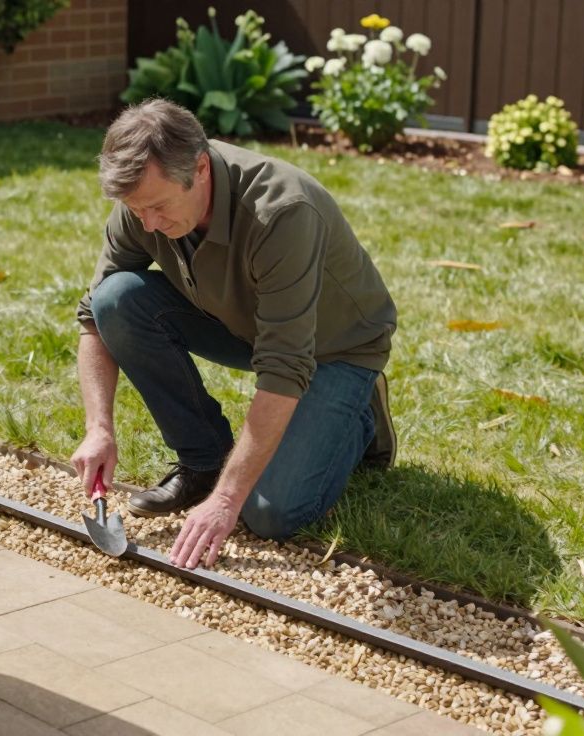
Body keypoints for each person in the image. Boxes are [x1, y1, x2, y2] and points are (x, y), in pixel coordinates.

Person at [70, 99, 397, 571]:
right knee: (115, 301)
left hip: (334, 347)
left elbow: (285, 365)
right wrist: (98, 427)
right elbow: (92, 317)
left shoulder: (282, 211)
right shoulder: (144, 202)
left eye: (159, 207)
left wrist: (227, 500)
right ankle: (204, 459)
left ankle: (360, 412)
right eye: (136, 210)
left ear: (200, 168)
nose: (148, 225)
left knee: (270, 513)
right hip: (240, 322)